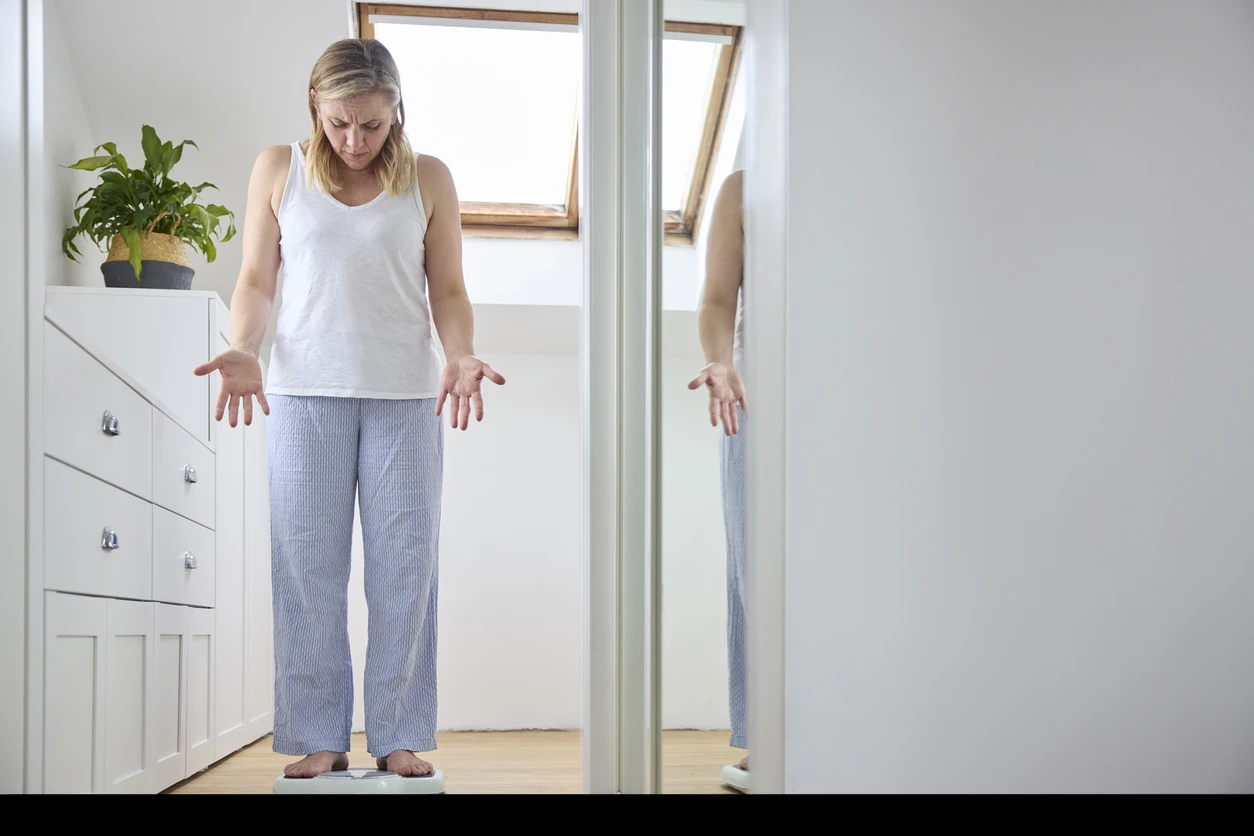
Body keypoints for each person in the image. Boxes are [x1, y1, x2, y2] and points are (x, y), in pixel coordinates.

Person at [194, 38, 503, 779]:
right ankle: (317, 734)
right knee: (306, 569)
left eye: (371, 124)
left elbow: (448, 289)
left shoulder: (428, 178)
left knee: (405, 571)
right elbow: (256, 281)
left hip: (404, 396)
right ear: (315, 107)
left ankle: (399, 733)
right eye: (339, 124)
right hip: (303, 394)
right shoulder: (279, 168)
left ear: (396, 110)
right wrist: (244, 345)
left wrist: (461, 353)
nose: (355, 141)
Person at [688, 169, 749, 776]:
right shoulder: (742, 190)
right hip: (751, 397)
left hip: (858, 397)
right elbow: (715, 299)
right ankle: (774, 732)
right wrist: (719, 362)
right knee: (755, 569)